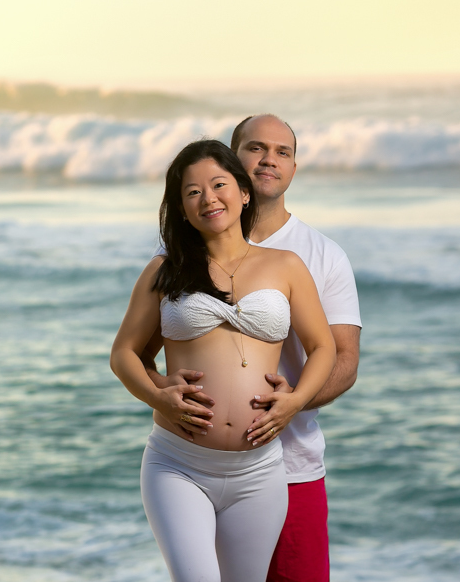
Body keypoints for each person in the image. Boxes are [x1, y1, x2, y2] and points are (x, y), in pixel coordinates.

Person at [147, 115, 363, 582]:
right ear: (233, 160)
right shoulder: (181, 257)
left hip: (290, 464)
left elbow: (343, 358)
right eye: (256, 148)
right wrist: (162, 391)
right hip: (191, 459)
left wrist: (292, 404)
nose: (269, 160)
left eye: (283, 152)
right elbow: (136, 349)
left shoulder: (320, 255)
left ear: (294, 167)